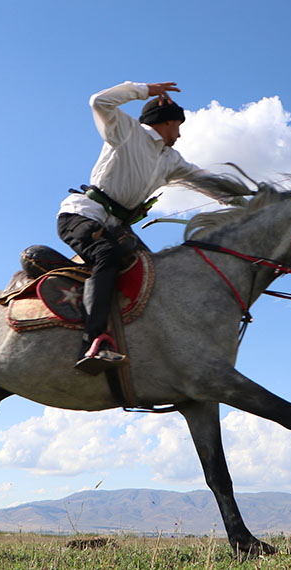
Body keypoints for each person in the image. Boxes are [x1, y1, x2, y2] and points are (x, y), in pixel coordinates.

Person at [57, 81, 230, 375]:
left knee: (154, 275)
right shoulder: (126, 132)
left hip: (115, 227)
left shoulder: (170, 159)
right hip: (82, 216)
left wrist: (254, 196)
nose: (180, 133)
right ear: (168, 122)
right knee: (107, 255)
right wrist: (142, 90)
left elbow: (207, 182)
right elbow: (98, 101)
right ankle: (95, 340)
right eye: (179, 125)